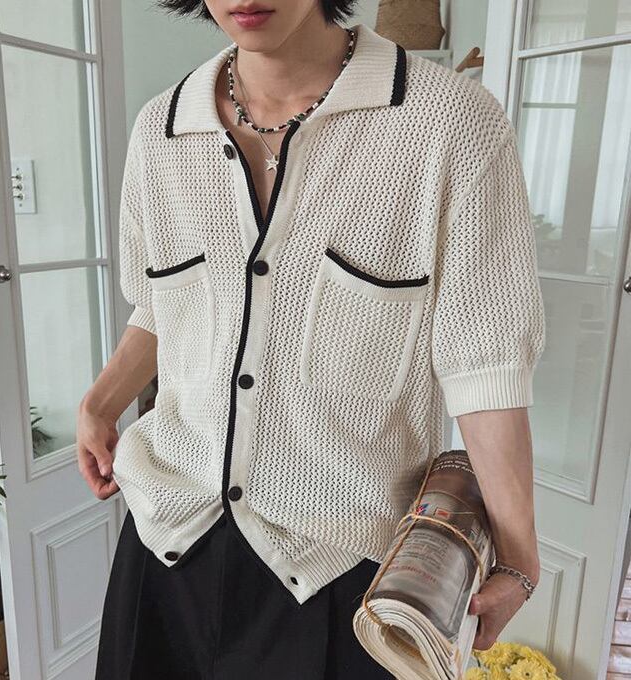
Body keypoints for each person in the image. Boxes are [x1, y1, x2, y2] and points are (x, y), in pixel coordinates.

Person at [77, 1, 546, 678]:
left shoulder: (451, 123)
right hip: (167, 543)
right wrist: (101, 402)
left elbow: (486, 363)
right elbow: (161, 303)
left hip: (343, 570)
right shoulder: (161, 129)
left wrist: (518, 557)